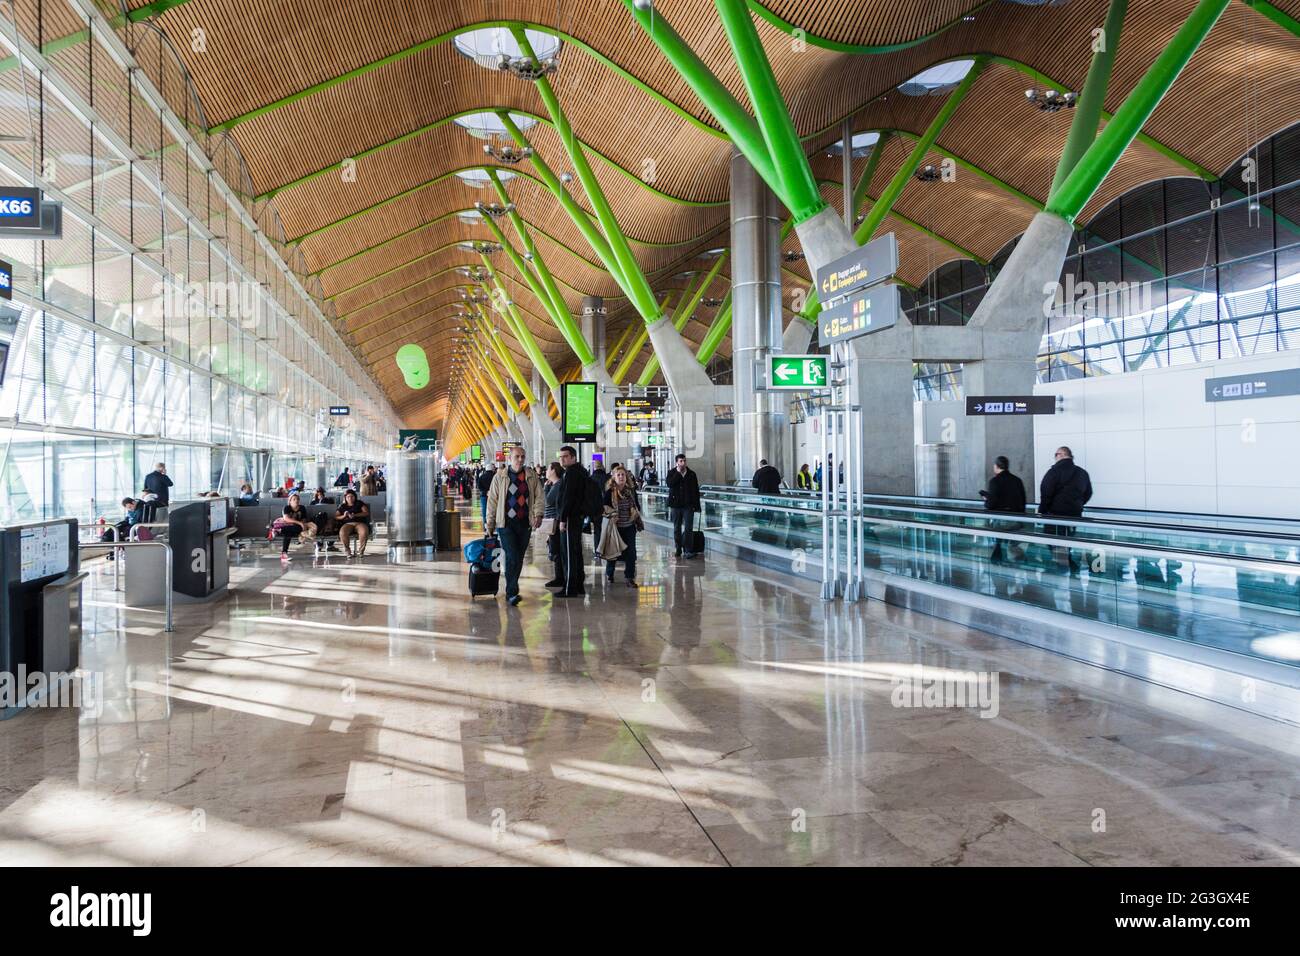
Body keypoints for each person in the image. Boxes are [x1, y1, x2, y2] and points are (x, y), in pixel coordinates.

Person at [485, 444, 543, 607]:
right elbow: (493, 501)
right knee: (512, 556)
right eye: (517, 456)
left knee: (518, 557)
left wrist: (538, 514)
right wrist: (489, 522)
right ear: (510, 459)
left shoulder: (531, 476)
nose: (520, 459)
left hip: (525, 523)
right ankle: (512, 592)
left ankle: (511, 588)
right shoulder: (500, 477)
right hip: (506, 524)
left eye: (522, 456)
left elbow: (539, 496)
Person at [1039, 446, 1093, 572]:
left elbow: (1045, 492)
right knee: (1067, 542)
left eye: (1055, 454)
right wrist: (1077, 505)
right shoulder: (1082, 473)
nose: (1055, 458)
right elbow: (1088, 493)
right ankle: (1068, 567)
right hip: (1074, 516)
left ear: (1061, 455)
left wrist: (1043, 511)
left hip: (1055, 516)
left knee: (1054, 542)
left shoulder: (1054, 471)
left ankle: (1063, 569)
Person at [555, 445, 590, 597]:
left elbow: (568, 498)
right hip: (576, 517)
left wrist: (562, 519)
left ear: (573, 457)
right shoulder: (579, 471)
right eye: (560, 456)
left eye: (565, 456)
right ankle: (578, 585)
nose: (562, 459)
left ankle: (570, 588)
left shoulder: (572, 473)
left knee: (568, 553)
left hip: (570, 518)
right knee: (575, 552)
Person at [981, 455, 1027, 564]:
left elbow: (991, 504)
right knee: (1013, 546)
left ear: (997, 466)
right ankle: (1015, 567)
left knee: (999, 544)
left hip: (1000, 521)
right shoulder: (1017, 480)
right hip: (1016, 520)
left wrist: (986, 499)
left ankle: (999, 565)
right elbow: (1023, 500)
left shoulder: (994, 481)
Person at [602, 464, 642, 588]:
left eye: (623, 475)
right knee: (614, 551)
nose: (621, 477)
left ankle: (629, 577)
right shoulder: (610, 492)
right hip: (615, 527)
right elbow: (604, 508)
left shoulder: (630, 492)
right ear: (613, 477)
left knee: (631, 553)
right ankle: (610, 573)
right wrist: (613, 514)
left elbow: (636, 506)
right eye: (618, 475)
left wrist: (635, 512)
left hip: (629, 526)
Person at [666, 452, 702, 559]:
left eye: (684, 461)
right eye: (681, 461)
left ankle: (688, 550)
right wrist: (678, 473)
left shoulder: (691, 474)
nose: (683, 463)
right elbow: (670, 484)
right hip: (675, 505)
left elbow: (696, 491)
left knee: (688, 528)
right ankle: (678, 548)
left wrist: (697, 506)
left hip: (688, 505)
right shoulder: (672, 473)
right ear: (677, 463)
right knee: (677, 528)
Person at [542, 462, 565, 589]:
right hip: (554, 522)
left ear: (553, 471)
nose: (546, 471)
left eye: (548, 469)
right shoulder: (556, 484)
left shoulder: (558, 485)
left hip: (555, 523)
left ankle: (559, 578)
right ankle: (559, 576)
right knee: (554, 549)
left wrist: (546, 488)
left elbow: (548, 501)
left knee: (556, 550)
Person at [334, 489, 371, 557]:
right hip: (348, 524)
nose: (350, 498)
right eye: (348, 497)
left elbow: (366, 513)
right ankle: (347, 551)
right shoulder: (342, 506)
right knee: (343, 533)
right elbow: (336, 517)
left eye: (352, 496)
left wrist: (355, 515)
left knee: (364, 532)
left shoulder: (359, 503)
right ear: (345, 498)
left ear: (355, 497)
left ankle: (361, 551)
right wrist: (344, 516)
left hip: (359, 523)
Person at [276, 492, 312, 559]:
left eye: (298, 499)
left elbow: (304, 519)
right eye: (294, 499)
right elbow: (286, 519)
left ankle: (280, 530)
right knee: (288, 532)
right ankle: (284, 554)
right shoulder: (286, 508)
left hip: (297, 528)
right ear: (290, 501)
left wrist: (302, 524)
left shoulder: (302, 508)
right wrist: (299, 523)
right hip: (291, 526)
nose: (296, 501)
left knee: (294, 529)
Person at [588, 458, 609, 551]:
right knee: (608, 529)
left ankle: (598, 550)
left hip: (595, 509)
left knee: (597, 530)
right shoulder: (608, 478)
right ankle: (609, 549)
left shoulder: (591, 479)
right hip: (608, 508)